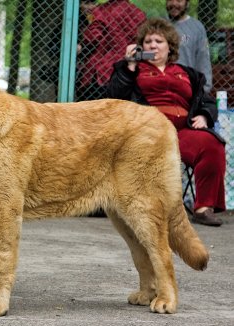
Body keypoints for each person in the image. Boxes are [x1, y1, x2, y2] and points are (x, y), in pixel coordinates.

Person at [106, 18, 226, 227]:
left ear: (170, 46)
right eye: (148, 41)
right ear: (141, 46)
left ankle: (203, 208)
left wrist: (205, 115)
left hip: (182, 131)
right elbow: (115, 98)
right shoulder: (131, 70)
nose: (153, 45)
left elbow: (206, 101)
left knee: (211, 144)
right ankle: (147, 207)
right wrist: (129, 66)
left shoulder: (188, 73)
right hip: (149, 132)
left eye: (159, 41)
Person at [76, 0, 146, 100]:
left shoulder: (104, 9)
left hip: (104, 68)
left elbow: (95, 35)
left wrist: (82, 43)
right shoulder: (139, 13)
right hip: (129, 67)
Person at [166, 0, 213, 92]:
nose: (174, 4)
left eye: (179, 0)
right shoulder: (159, 25)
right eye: (170, 0)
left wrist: (205, 88)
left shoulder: (197, 27)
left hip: (187, 86)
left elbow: (203, 59)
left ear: (187, 3)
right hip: (161, 85)